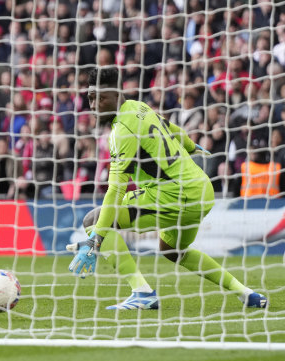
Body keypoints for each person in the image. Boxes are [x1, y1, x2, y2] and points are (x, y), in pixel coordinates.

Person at [68, 67, 267, 310]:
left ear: (117, 94)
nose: (94, 104)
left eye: (101, 98)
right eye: (90, 98)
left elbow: (116, 191)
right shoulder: (139, 107)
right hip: (202, 191)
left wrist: (96, 240)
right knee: (173, 251)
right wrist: (191, 145)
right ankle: (247, 293)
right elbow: (173, 129)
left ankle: (142, 293)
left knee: (94, 220)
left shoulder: (122, 131)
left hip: (174, 195)